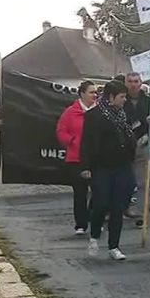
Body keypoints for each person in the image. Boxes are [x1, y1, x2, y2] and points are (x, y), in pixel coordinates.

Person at [80, 81, 135, 261]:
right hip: (101, 167)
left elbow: (132, 134)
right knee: (101, 203)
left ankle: (114, 246)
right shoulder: (93, 116)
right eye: (122, 97)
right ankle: (95, 236)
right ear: (111, 97)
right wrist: (86, 167)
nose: (124, 100)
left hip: (122, 166)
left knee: (117, 207)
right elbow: (86, 142)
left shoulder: (123, 115)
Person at [56, 81, 98, 235]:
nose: (94, 95)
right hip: (76, 158)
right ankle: (81, 224)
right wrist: (72, 141)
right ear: (82, 94)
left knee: (98, 192)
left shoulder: (100, 111)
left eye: (95, 92)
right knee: (80, 193)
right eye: (91, 92)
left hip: (96, 159)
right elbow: (61, 131)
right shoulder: (70, 112)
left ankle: (95, 220)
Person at [123, 72, 150, 218]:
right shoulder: (121, 100)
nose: (133, 84)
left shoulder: (149, 102)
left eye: (136, 81)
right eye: (130, 81)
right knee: (125, 181)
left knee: (142, 182)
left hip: (143, 145)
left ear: (140, 83)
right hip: (124, 147)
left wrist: (148, 135)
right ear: (126, 83)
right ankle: (123, 207)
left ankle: (141, 212)